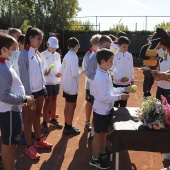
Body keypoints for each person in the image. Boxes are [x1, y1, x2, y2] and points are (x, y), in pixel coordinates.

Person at [89, 49, 130, 169]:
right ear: (103, 61)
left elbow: (110, 91)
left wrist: (123, 89)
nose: (112, 63)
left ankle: (102, 151)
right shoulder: (100, 77)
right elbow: (104, 97)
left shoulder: (105, 73)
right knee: (98, 134)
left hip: (106, 110)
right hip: (100, 111)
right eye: (111, 61)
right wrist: (120, 97)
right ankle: (95, 159)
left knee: (103, 133)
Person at [0, 34, 35, 170]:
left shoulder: (5, 64)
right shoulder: (3, 68)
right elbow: (4, 96)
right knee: (9, 146)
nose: (16, 52)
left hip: (12, 110)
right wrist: (25, 98)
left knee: (10, 144)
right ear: (4, 50)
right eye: (13, 49)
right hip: (9, 111)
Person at [18, 26, 53, 160]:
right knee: (28, 119)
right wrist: (28, 96)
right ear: (31, 38)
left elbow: (39, 73)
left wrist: (43, 87)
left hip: (39, 91)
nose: (40, 41)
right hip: (30, 94)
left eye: (41, 39)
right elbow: (24, 77)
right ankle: (29, 146)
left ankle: (38, 140)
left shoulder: (37, 54)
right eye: (38, 39)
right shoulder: (23, 55)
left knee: (37, 115)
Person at [87, 35, 112, 143]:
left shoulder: (107, 56)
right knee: (96, 112)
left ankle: (98, 135)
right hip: (96, 90)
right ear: (100, 45)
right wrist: (99, 80)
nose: (108, 48)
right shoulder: (94, 57)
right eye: (106, 46)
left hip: (104, 89)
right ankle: (93, 134)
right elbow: (89, 73)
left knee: (101, 114)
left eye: (109, 46)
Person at [41, 37, 63, 133]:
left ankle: (53, 119)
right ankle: (44, 121)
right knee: (47, 101)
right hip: (47, 82)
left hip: (56, 81)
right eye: (52, 46)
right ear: (47, 44)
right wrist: (44, 73)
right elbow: (41, 69)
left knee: (54, 100)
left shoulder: (58, 55)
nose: (53, 48)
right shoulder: (42, 54)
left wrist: (60, 73)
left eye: (55, 47)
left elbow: (60, 66)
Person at [139, 28, 168, 97]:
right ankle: (145, 92)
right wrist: (150, 59)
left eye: (157, 47)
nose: (157, 50)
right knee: (147, 78)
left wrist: (166, 76)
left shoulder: (163, 52)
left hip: (154, 66)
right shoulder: (146, 47)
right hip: (147, 66)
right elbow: (141, 56)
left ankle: (147, 91)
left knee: (151, 80)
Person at [61, 37, 82, 135]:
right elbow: (75, 74)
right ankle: (68, 127)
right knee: (72, 106)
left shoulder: (66, 55)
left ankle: (67, 124)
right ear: (77, 46)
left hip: (65, 84)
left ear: (69, 46)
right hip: (71, 86)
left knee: (67, 105)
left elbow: (62, 70)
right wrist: (82, 73)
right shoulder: (73, 56)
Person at [82, 34, 101, 132]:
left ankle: (96, 125)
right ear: (93, 44)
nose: (100, 46)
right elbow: (85, 70)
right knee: (89, 103)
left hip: (100, 85)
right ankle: (87, 122)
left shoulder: (102, 54)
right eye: (98, 44)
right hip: (90, 84)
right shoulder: (87, 55)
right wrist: (96, 78)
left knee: (97, 104)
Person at [112, 36, 135, 107]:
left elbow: (131, 68)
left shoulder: (129, 55)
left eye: (127, 47)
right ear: (118, 45)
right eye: (124, 47)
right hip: (117, 84)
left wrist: (132, 79)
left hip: (127, 84)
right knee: (115, 104)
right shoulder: (114, 56)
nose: (126, 49)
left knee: (123, 104)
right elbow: (111, 71)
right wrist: (118, 79)